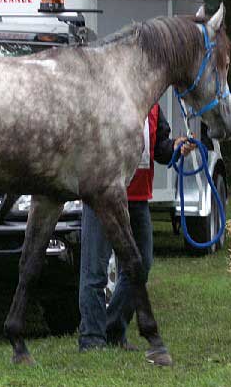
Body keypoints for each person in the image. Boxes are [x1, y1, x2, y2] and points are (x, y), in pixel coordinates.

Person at [78, 104, 195, 352]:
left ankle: (113, 328)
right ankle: (92, 338)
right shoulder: (106, 99)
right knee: (95, 270)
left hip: (138, 200)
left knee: (140, 266)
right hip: (102, 199)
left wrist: (175, 147)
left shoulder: (153, 106)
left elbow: (159, 149)